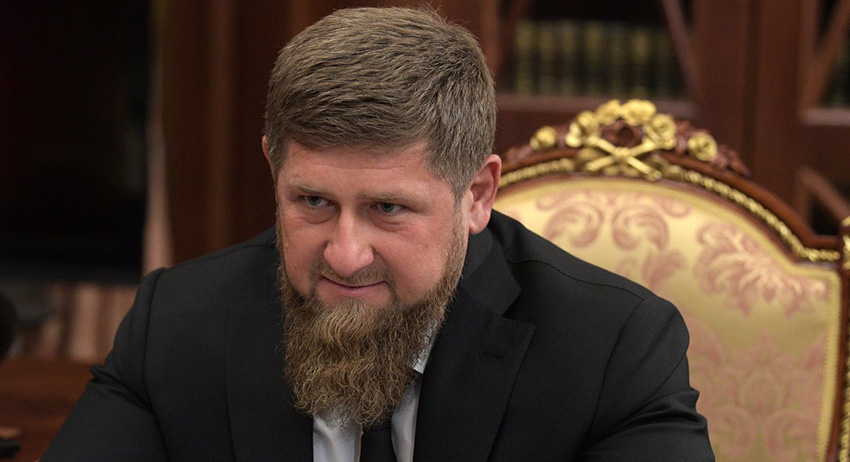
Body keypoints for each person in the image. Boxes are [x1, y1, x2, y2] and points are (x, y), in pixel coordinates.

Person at [43, 7, 713, 461]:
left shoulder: (608, 348)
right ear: (274, 169)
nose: (344, 254)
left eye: (389, 208)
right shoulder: (176, 324)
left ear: (477, 195)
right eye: (313, 201)